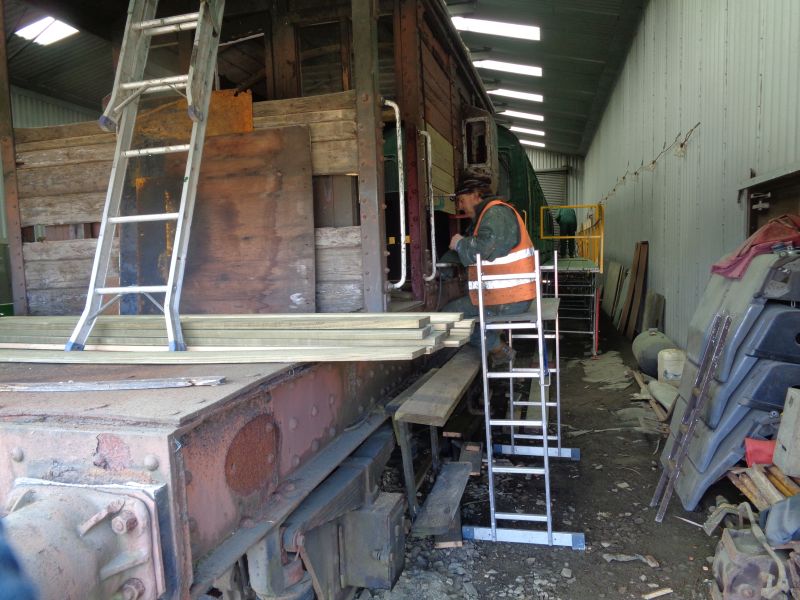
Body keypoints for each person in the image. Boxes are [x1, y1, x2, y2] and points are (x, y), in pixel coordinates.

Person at [440, 170, 537, 365]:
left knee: (448, 317)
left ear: (476, 194)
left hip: (508, 298)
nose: (459, 206)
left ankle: (498, 349)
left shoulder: (496, 213)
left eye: (461, 200)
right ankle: (495, 345)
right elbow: (477, 245)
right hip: (505, 296)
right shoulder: (488, 215)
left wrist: (460, 244)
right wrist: (444, 263)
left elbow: (485, 248)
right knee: (461, 316)